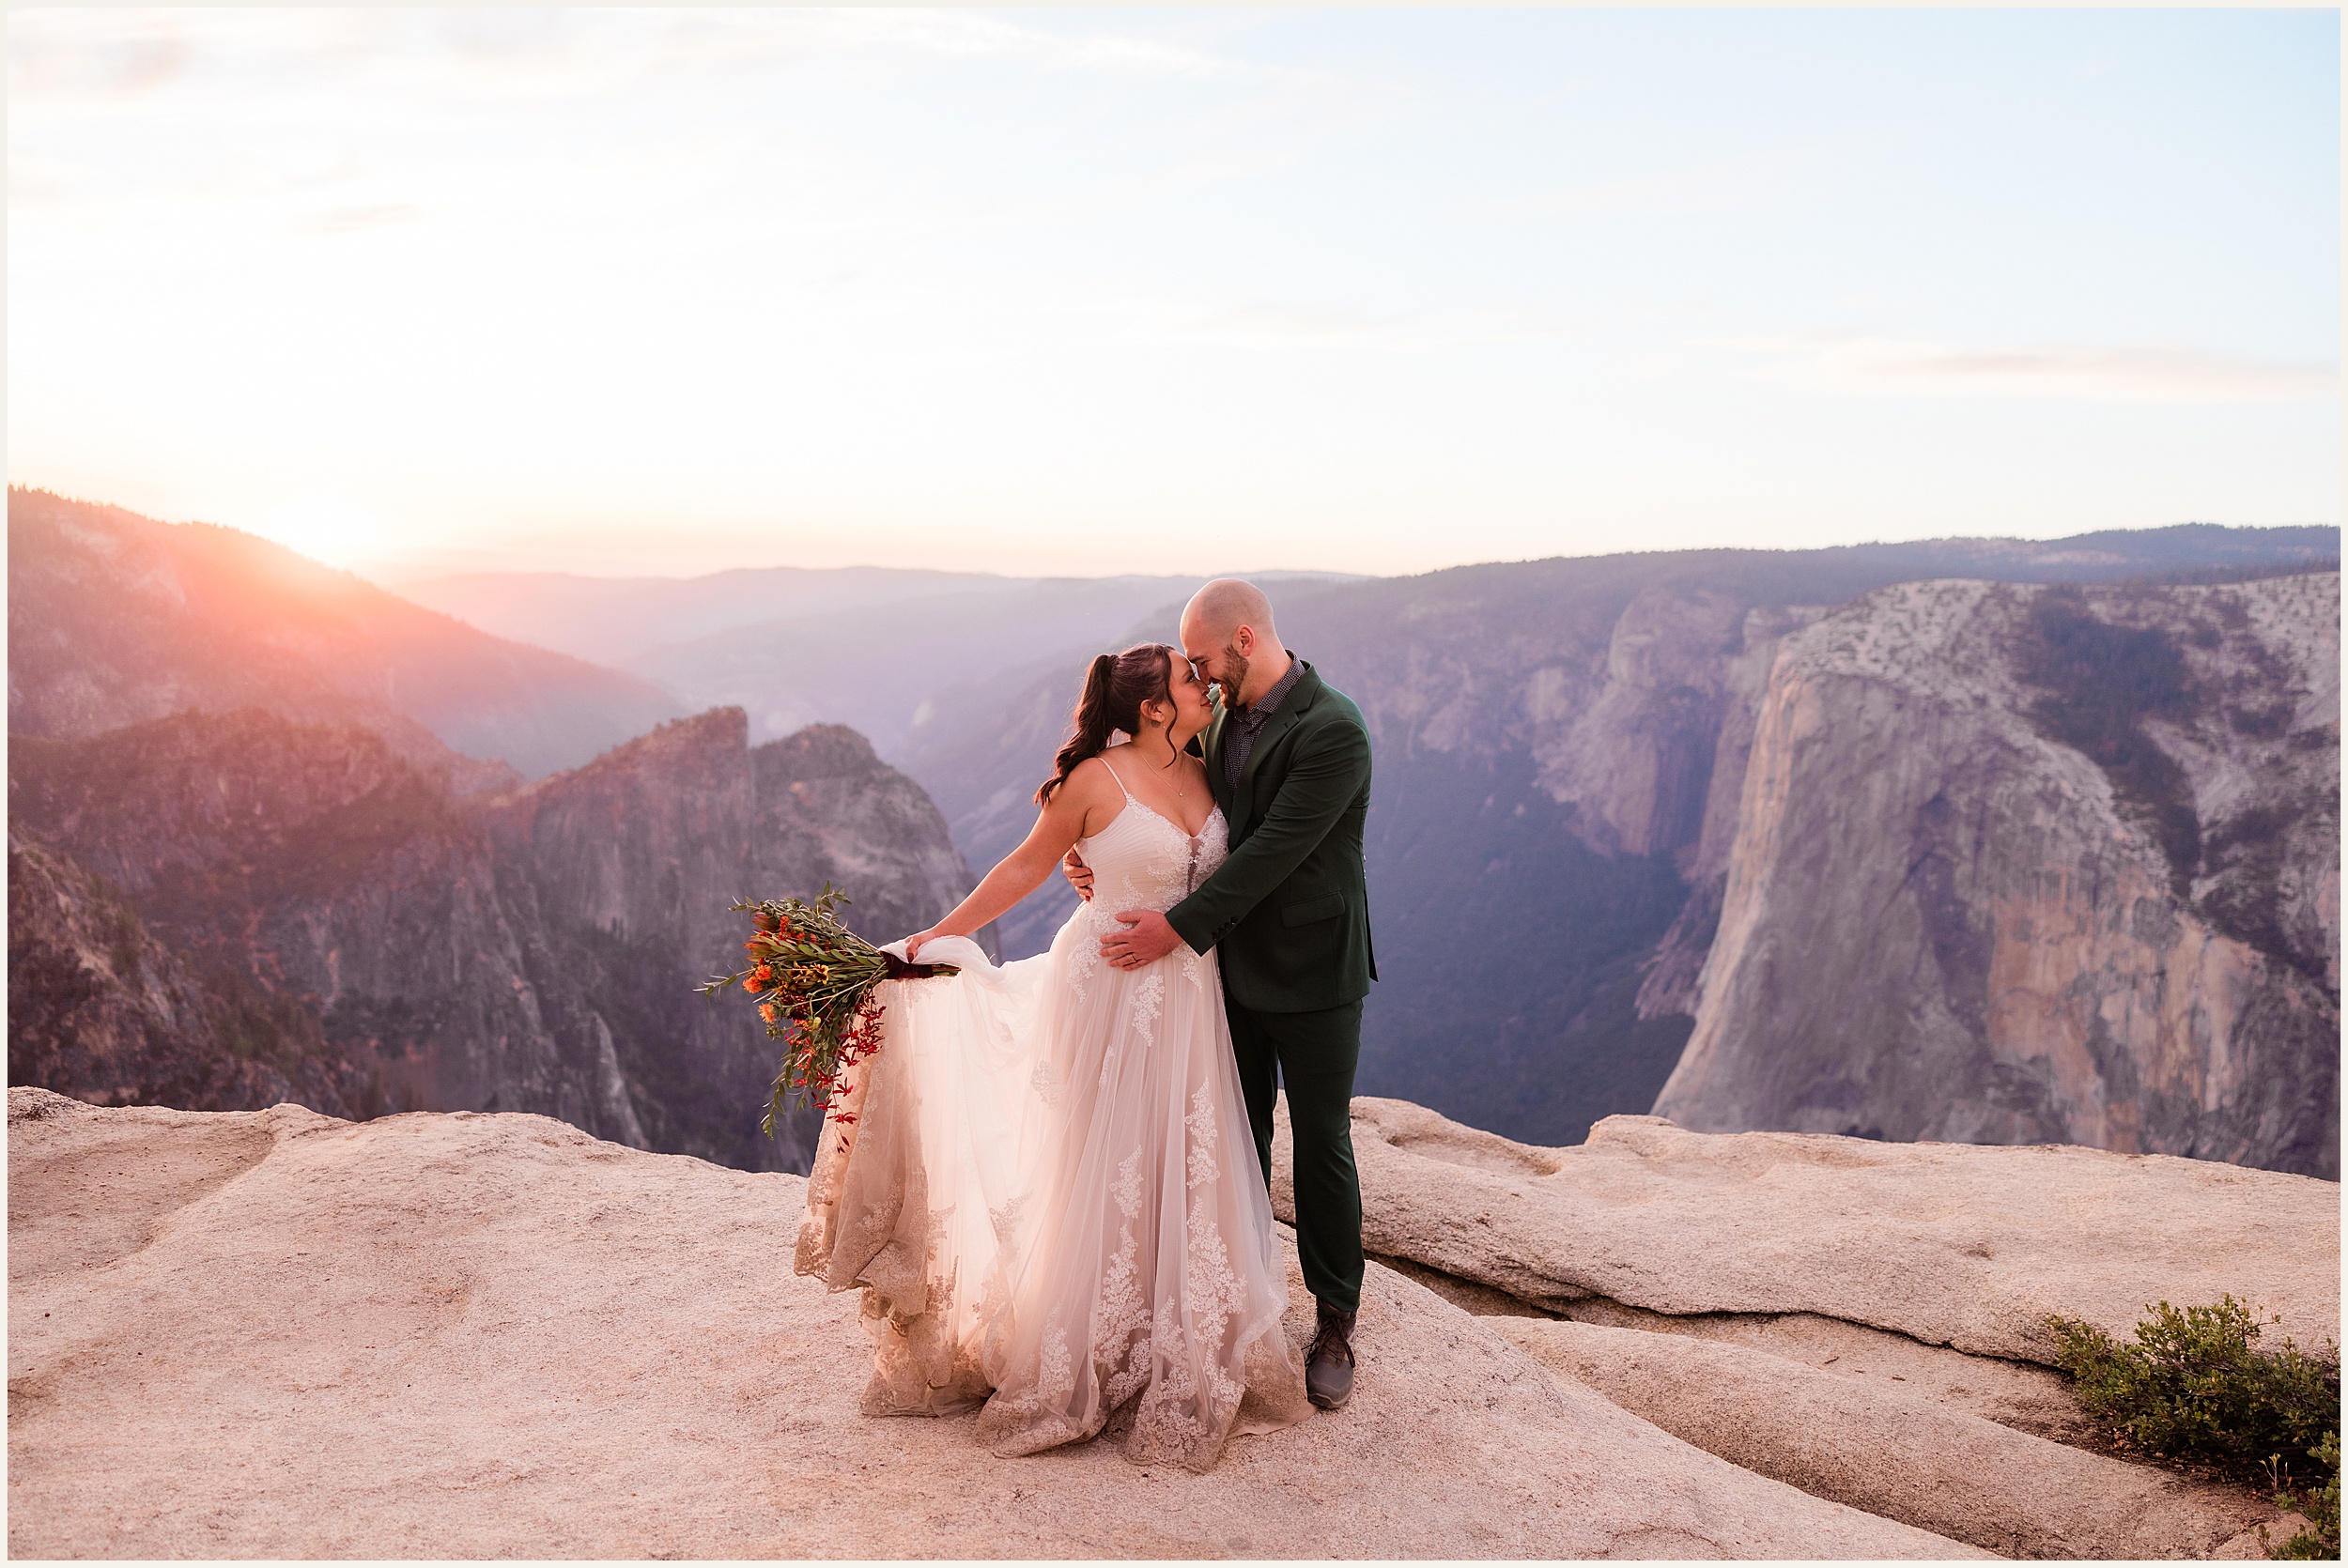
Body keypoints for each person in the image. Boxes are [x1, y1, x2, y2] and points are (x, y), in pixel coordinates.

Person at [793, 641, 1313, 1473]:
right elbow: (1027, 865)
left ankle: (1166, 1320)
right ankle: (1087, 1338)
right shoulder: (1092, 782)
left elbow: (1239, 860)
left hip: (1187, 990)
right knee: (1100, 1158)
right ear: (1151, 707)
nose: (1205, 686)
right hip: (1104, 987)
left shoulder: (1204, 762)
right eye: (1189, 679)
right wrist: (937, 937)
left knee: (1183, 1153)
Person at [1069, 578, 1376, 1412]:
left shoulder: (1334, 728)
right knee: (1232, 1145)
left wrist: (1174, 930)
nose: (1198, 680)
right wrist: (1099, 858)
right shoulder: (1225, 721)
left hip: (1314, 973)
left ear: (1243, 640)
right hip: (1226, 973)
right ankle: (1235, 1304)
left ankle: (1337, 1321)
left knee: (1321, 1146)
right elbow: (1181, 818)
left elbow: (1270, 850)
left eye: (1203, 659)